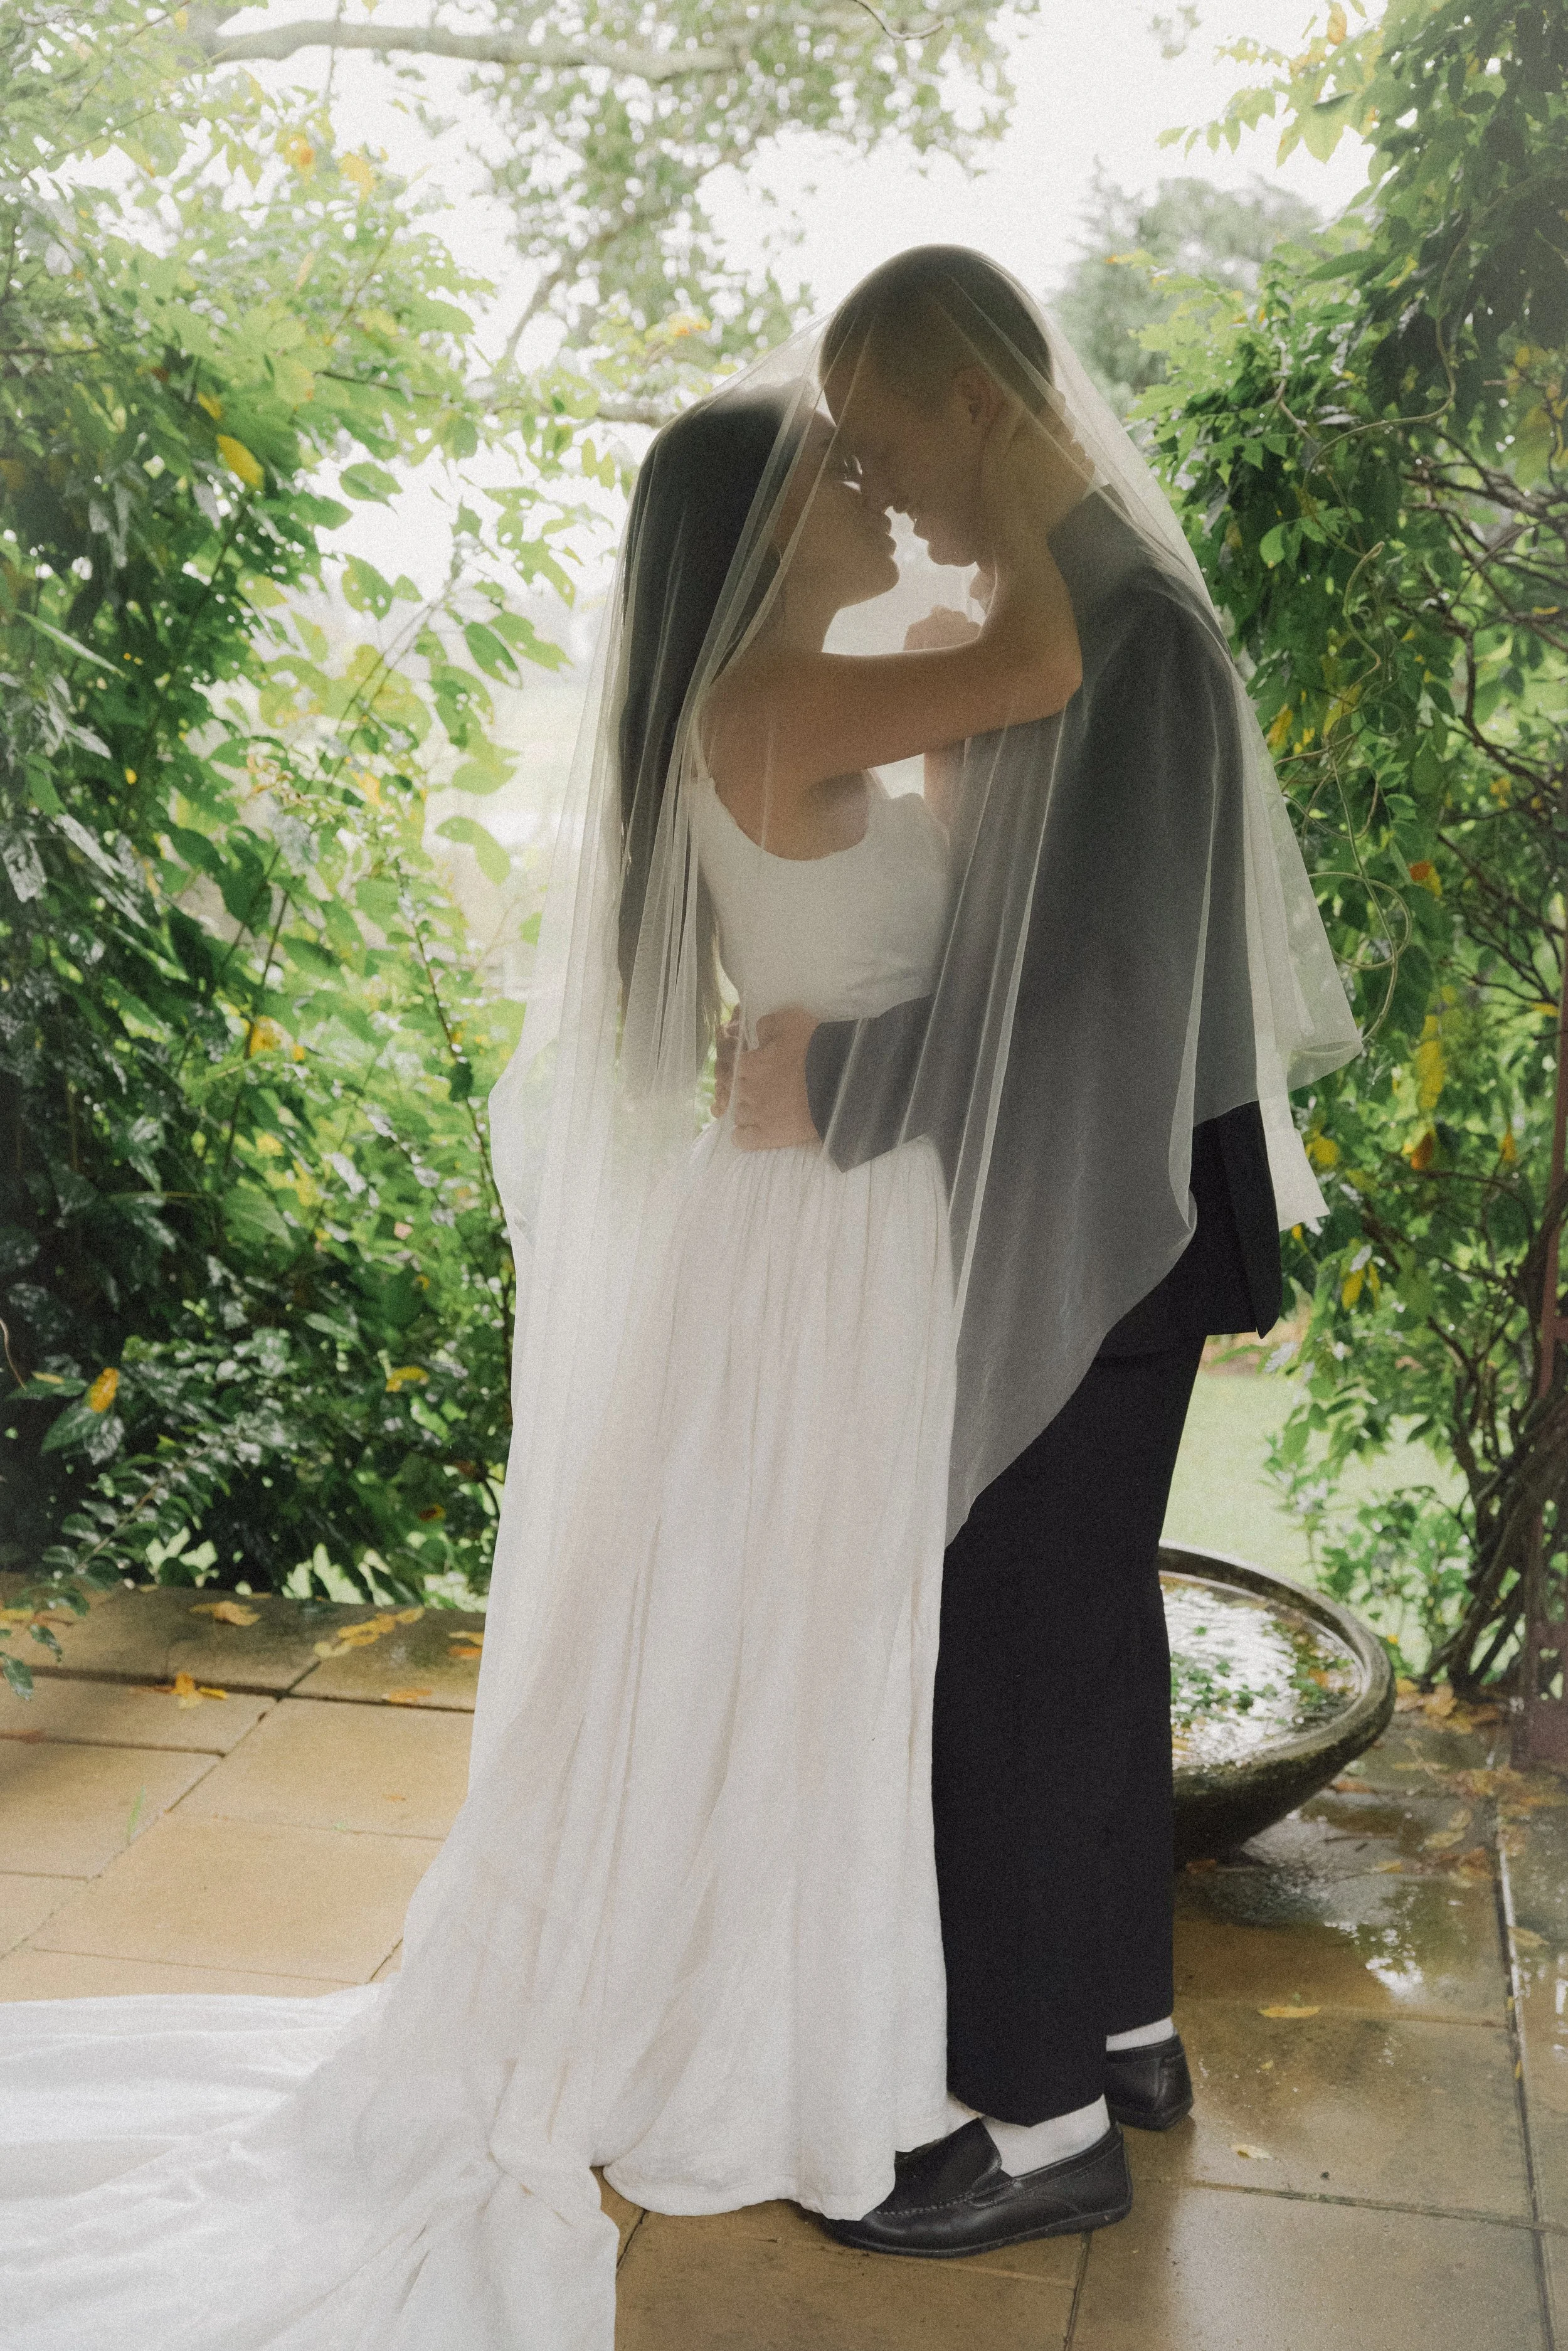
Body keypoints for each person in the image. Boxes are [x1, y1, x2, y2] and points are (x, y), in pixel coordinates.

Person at [0, 304, 1121, 2347]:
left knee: (774, 1632)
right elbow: (1042, 661)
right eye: (840, 476)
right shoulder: (779, 696)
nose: (874, 496)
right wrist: (1030, 483)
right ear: (771, 530)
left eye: (871, 468)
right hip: (814, 1242)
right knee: (796, 1631)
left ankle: (753, 1976)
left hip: (823, 1215)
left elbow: (956, 901)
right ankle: (764, 2029)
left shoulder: (809, 693)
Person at [728, 245, 1361, 2258]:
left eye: (886, 430)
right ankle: (1122, 2023)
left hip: (1114, 1202)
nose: (876, 475)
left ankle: (1036, 2126)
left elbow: (1074, 996)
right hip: (1099, 1191)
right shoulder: (1043, 613)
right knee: (1074, 1619)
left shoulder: (1129, 635)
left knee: (1002, 1635)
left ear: (978, 402)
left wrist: (829, 1078)